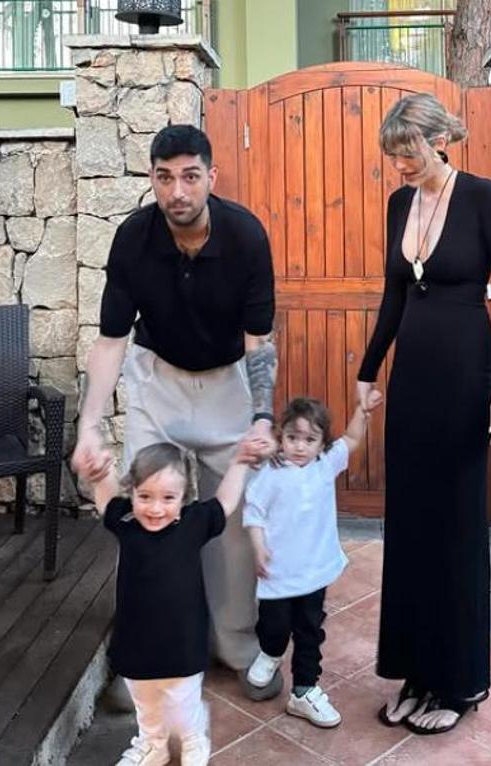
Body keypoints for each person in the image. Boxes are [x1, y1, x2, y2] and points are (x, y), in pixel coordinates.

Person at [71, 124, 280, 700]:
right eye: (165, 178)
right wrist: (89, 425)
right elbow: (111, 341)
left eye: (190, 176)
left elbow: (259, 341)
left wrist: (263, 416)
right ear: (152, 179)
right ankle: (142, 656)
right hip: (157, 381)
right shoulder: (132, 238)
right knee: (146, 515)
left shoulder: (246, 236)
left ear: (212, 176)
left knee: (231, 525)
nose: (177, 191)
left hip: (227, 384)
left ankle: (235, 644)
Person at [355, 93, 491, 735]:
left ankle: (457, 683)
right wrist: (368, 371)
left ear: (438, 141)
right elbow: (394, 293)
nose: (400, 166)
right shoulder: (400, 204)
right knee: (411, 526)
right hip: (413, 382)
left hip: (464, 378)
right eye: (394, 156)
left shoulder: (482, 198)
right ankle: (415, 672)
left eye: (409, 153)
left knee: (455, 526)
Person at [86, 437, 267, 766]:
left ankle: (194, 737)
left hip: (182, 639)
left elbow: (225, 502)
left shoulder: (193, 522)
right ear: (132, 492)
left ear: (184, 497)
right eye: (145, 497)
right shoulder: (126, 521)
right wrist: (100, 476)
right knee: (145, 700)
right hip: (136, 639)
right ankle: (152, 744)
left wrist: (240, 463)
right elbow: (107, 503)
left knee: (181, 704)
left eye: (168, 498)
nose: (155, 509)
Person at [241, 394, 383, 728]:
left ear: (322, 443)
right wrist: (258, 546)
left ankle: (304, 690)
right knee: (274, 624)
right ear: (281, 437)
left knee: (309, 630)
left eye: (309, 439)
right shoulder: (272, 472)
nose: (300, 447)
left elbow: (351, 439)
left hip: (313, 571)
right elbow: (254, 511)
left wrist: (361, 410)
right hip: (277, 571)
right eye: (293, 437)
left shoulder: (325, 464)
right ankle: (271, 651)